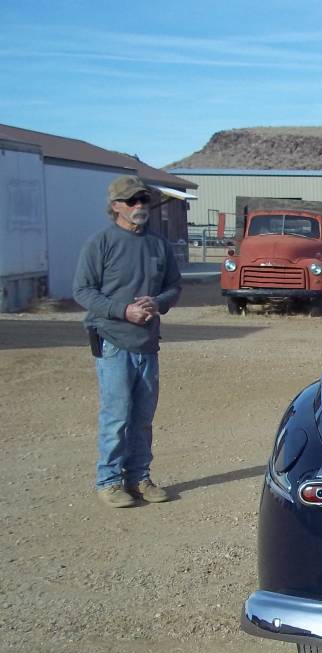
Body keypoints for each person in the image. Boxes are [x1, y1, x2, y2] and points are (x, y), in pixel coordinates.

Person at [73, 176, 182, 508]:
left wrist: (157, 302)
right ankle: (109, 481)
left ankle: (139, 477)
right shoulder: (100, 243)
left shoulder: (158, 245)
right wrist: (123, 310)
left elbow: (174, 286)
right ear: (115, 206)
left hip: (147, 344)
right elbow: (83, 290)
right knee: (117, 413)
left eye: (143, 200)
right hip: (113, 340)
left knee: (143, 416)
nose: (139, 207)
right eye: (132, 201)